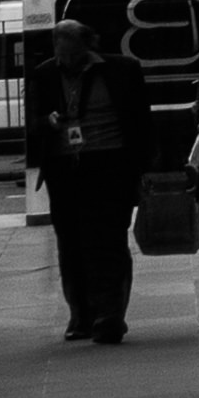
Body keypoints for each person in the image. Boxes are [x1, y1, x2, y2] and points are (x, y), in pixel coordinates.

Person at [33, 23, 147, 342]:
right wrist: (47, 121)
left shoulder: (123, 69)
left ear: (89, 45)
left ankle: (110, 315)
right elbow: (31, 121)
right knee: (70, 243)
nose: (67, 62)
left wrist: (145, 169)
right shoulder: (44, 74)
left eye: (73, 54)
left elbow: (141, 119)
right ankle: (81, 315)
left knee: (109, 240)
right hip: (64, 168)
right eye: (61, 54)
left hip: (111, 164)